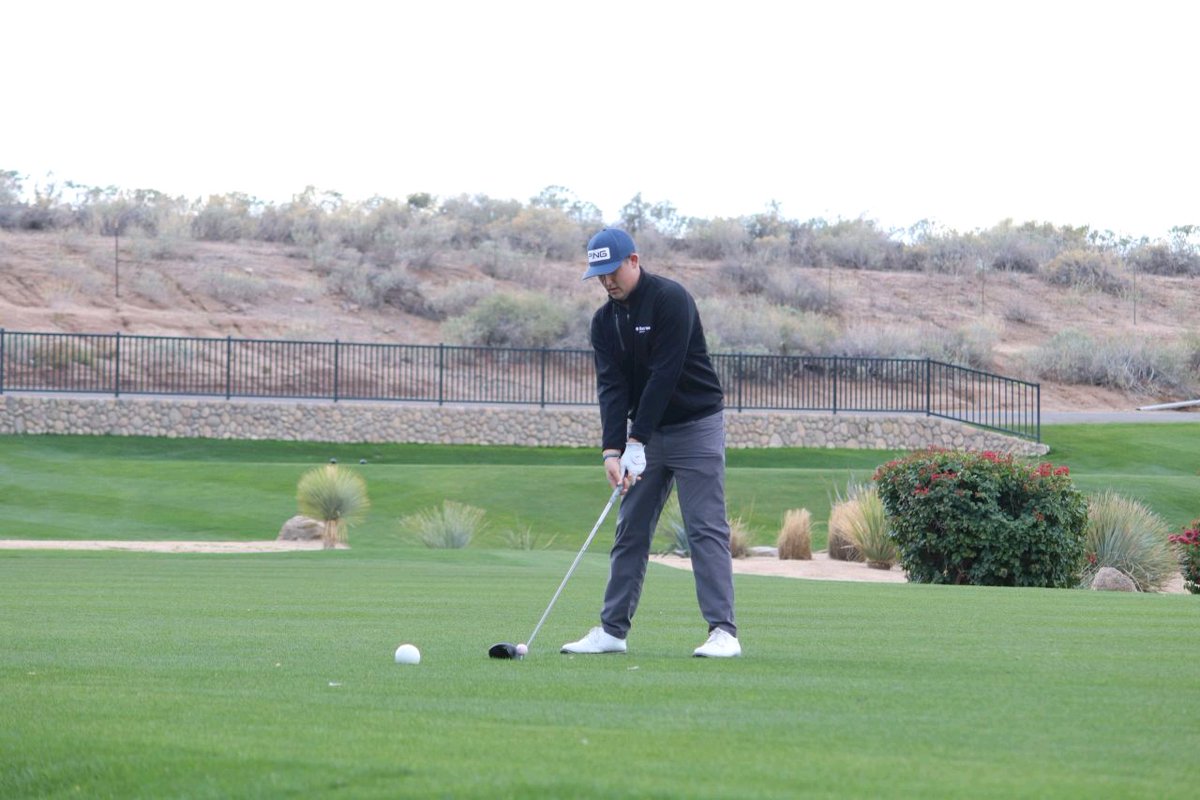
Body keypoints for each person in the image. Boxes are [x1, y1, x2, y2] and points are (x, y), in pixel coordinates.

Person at [561, 228, 741, 658]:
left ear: (634, 261)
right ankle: (612, 631)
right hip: (646, 436)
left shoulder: (670, 300)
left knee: (705, 529)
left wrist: (635, 440)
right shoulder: (604, 322)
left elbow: (665, 374)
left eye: (613, 271)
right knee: (630, 530)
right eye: (599, 274)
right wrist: (612, 449)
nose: (607, 282)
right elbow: (611, 388)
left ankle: (723, 632)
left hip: (695, 425)